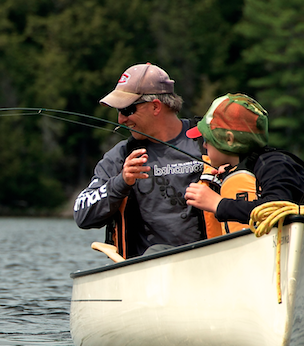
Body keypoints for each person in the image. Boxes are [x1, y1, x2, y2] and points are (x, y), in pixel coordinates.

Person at [73, 63, 206, 258]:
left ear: (155, 106)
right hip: (147, 271)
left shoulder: (207, 142)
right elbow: (82, 214)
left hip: (211, 262)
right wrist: (121, 182)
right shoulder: (119, 157)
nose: (120, 120)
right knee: (156, 253)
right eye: (118, 112)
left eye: (127, 110)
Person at [184, 93, 304, 237]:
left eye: (207, 139)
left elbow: (277, 207)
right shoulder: (242, 167)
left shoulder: (275, 165)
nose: (204, 145)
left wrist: (218, 204)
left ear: (229, 140)